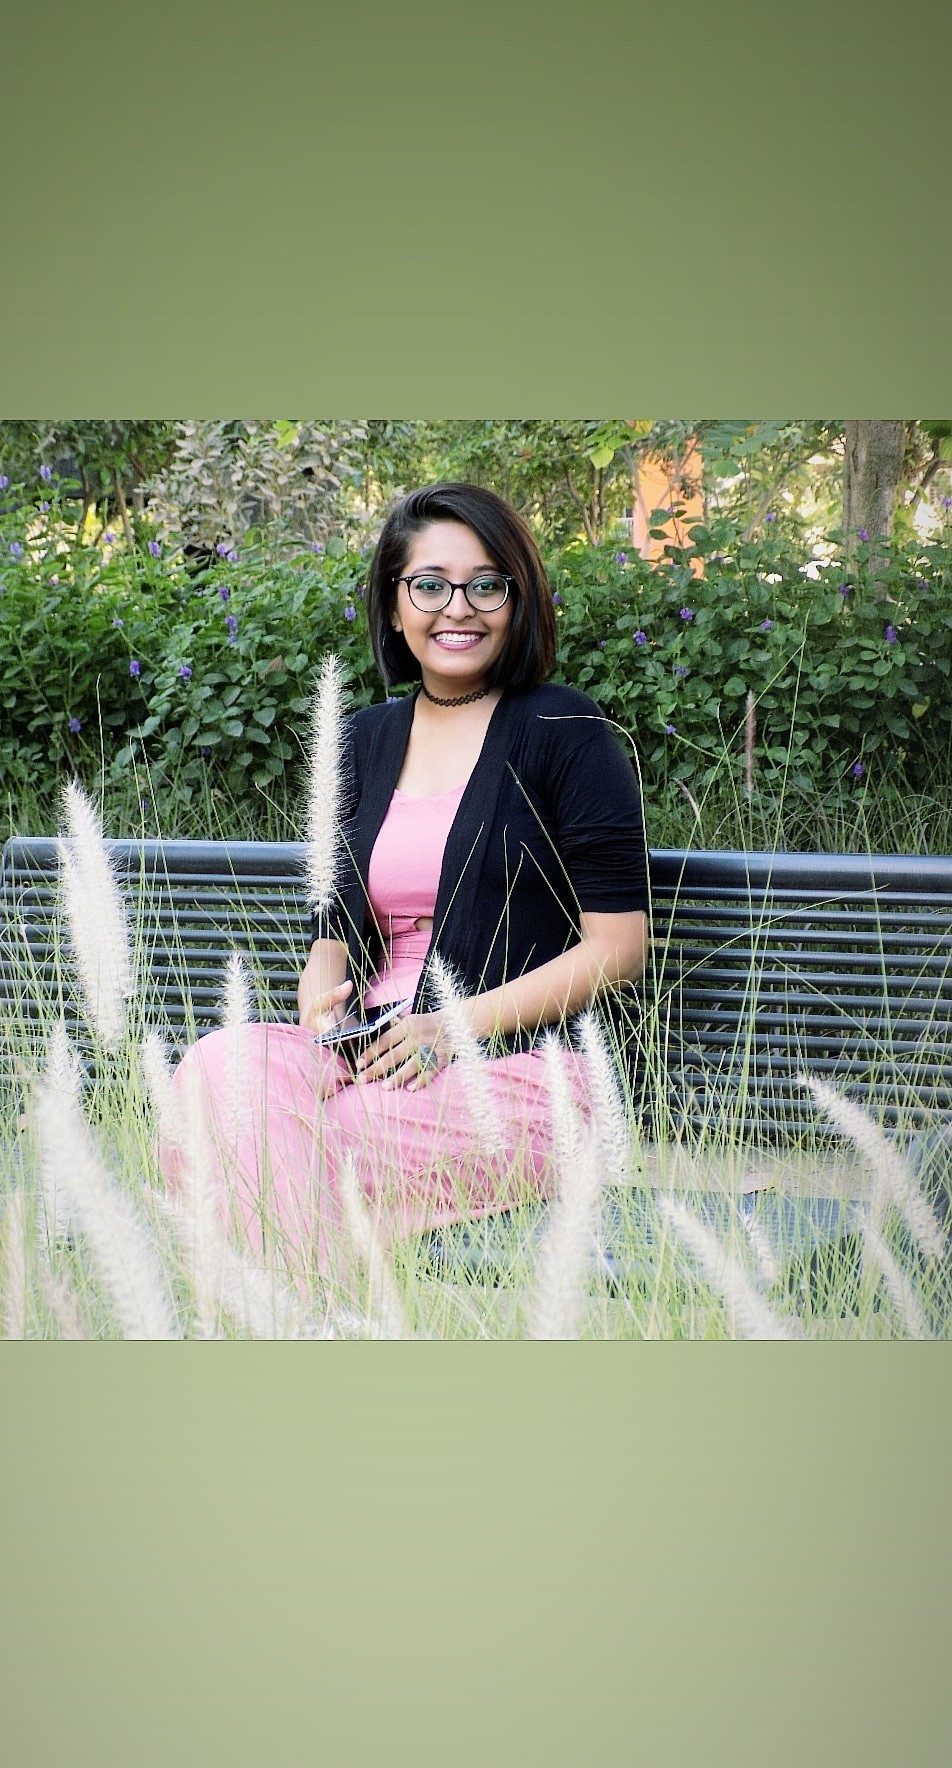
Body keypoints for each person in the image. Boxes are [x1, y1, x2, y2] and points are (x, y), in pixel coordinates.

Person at [161, 483, 648, 1282]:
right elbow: (333, 931)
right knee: (217, 1073)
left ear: (518, 600)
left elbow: (618, 949)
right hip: (367, 1052)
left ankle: (296, 1324)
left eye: (486, 584)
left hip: (517, 1074)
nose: (458, 608)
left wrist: (450, 1027)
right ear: (393, 607)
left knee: (279, 1144)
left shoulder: (566, 730)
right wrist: (324, 1006)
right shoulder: (363, 740)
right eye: (429, 584)